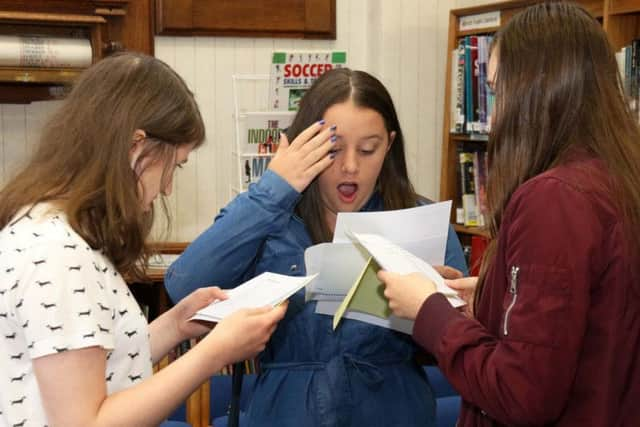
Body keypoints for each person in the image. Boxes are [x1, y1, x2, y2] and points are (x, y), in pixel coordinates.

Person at [378, 3, 640, 426]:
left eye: (499, 92)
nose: (495, 117)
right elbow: (596, 312)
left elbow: (520, 393)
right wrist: (489, 296)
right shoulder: (617, 176)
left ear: (539, 92)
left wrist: (428, 309)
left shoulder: (553, 200)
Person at [165, 67, 468, 427]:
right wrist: (275, 187)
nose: (351, 167)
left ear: (388, 145)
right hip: (286, 412)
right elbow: (183, 285)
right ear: (304, 145)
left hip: (393, 410)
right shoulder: (269, 217)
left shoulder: (419, 222)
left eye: (368, 149)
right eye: (333, 150)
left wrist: (434, 306)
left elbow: (458, 345)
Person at [0, 52, 286, 427]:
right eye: (173, 166)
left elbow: (96, 365)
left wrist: (177, 324)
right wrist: (214, 353)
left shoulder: (45, 228)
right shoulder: (60, 253)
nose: (167, 188)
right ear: (136, 147)